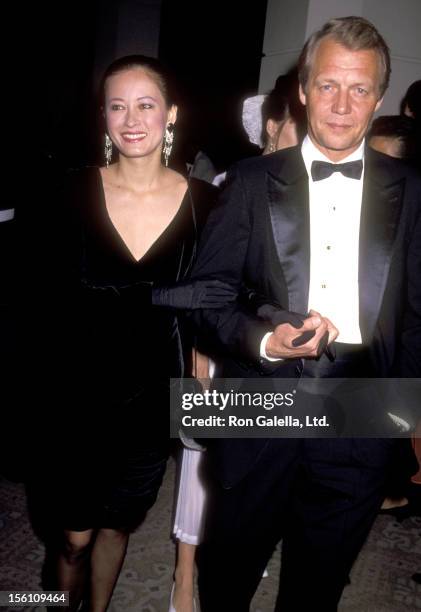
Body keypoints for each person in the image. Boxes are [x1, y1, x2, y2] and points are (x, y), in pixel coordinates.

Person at [187, 16, 421, 611]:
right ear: (303, 88)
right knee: (226, 583)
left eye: (360, 89)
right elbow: (206, 296)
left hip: (361, 415)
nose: (342, 106)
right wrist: (265, 339)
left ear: (379, 96)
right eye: (328, 86)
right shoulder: (245, 182)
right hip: (259, 402)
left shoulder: (414, 191)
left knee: (317, 593)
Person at [17, 55, 233, 612]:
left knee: (118, 527)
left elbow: (215, 300)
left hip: (150, 401)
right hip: (72, 397)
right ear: (103, 118)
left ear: (172, 114)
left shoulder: (208, 206)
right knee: (73, 537)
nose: (131, 118)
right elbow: (38, 300)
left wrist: (202, 372)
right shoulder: (65, 194)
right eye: (117, 105)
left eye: (146, 104)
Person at [169, 74, 305, 612]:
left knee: (251, 473)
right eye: (299, 127)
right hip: (219, 348)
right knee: (200, 467)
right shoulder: (232, 183)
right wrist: (201, 355)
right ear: (271, 127)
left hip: (274, 356)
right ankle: (184, 575)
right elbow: (203, 285)